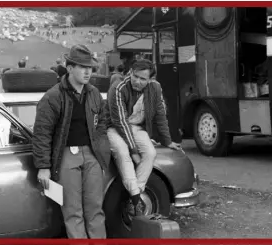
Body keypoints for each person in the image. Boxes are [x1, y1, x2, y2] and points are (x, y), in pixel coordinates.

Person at [32, 44, 109, 239]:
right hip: (65, 156)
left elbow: (102, 122)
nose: (87, 71)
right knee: (72, 211)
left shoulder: (93, 94)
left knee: (96, 209)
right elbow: (42, 133)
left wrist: (101, 152)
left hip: (91, 154)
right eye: (82, 67)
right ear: (69, 68)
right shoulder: (52, 96)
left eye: (90, 67)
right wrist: (43, 166)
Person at [104, 59, 182, 216]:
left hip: (137, 128)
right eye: (135, 76)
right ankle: (134, 196)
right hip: (113, 127)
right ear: (130, 72)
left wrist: (167, 140)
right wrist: (133, 150)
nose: (137, 81)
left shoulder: (155, 88)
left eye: (143, 79)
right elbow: (120, 122)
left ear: (150, 79)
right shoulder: (118, 88)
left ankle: (136, 195)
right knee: (122, 151)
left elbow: (160, 115)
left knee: (150, 153)